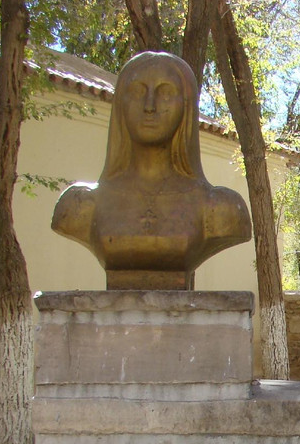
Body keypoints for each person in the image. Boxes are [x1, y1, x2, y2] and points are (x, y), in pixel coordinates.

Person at [53, 52, 251, 290]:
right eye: (137, 92)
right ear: (121, 105)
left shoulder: (220, 209)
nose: (150, 106)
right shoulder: (80, 206)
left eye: (165, 93)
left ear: (186, 107)